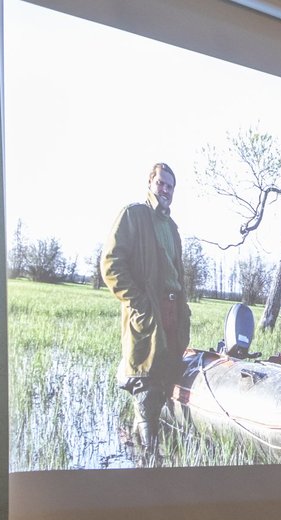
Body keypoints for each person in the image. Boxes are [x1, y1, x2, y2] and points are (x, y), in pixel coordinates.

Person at [101, 162, 191, 465]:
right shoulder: (134, 215)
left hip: (172, 309)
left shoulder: (173, 228)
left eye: (170, 186)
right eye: (160, 183)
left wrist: (182, 309)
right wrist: (139, 303)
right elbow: (111, 264)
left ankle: (153, 447)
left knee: (166, 375)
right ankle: (148, 461)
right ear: (150, 184)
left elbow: (176, 273)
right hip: (148, 310)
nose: (164, 190)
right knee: (145, 381)